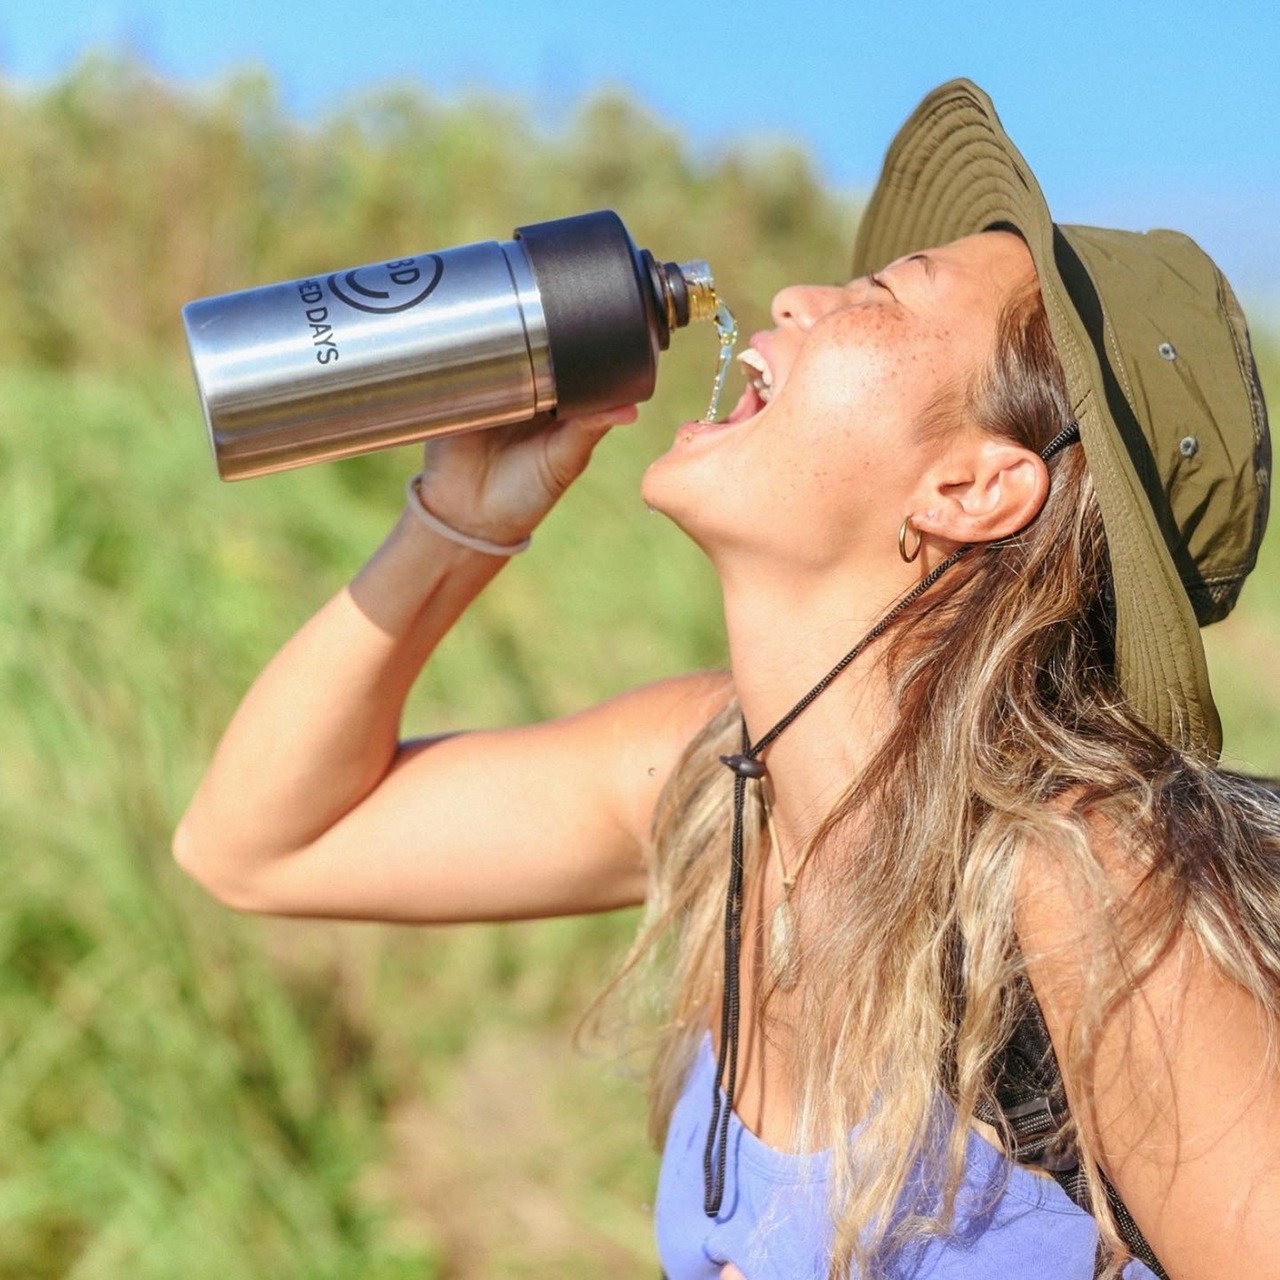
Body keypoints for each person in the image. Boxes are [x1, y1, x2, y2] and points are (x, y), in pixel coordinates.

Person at [173, 80, 1278, 1279]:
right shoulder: (720, 780)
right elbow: (258, 844)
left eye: (879, 294)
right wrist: (459, 520)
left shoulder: (1085, 887)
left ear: (971, 488)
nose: (797, 294)